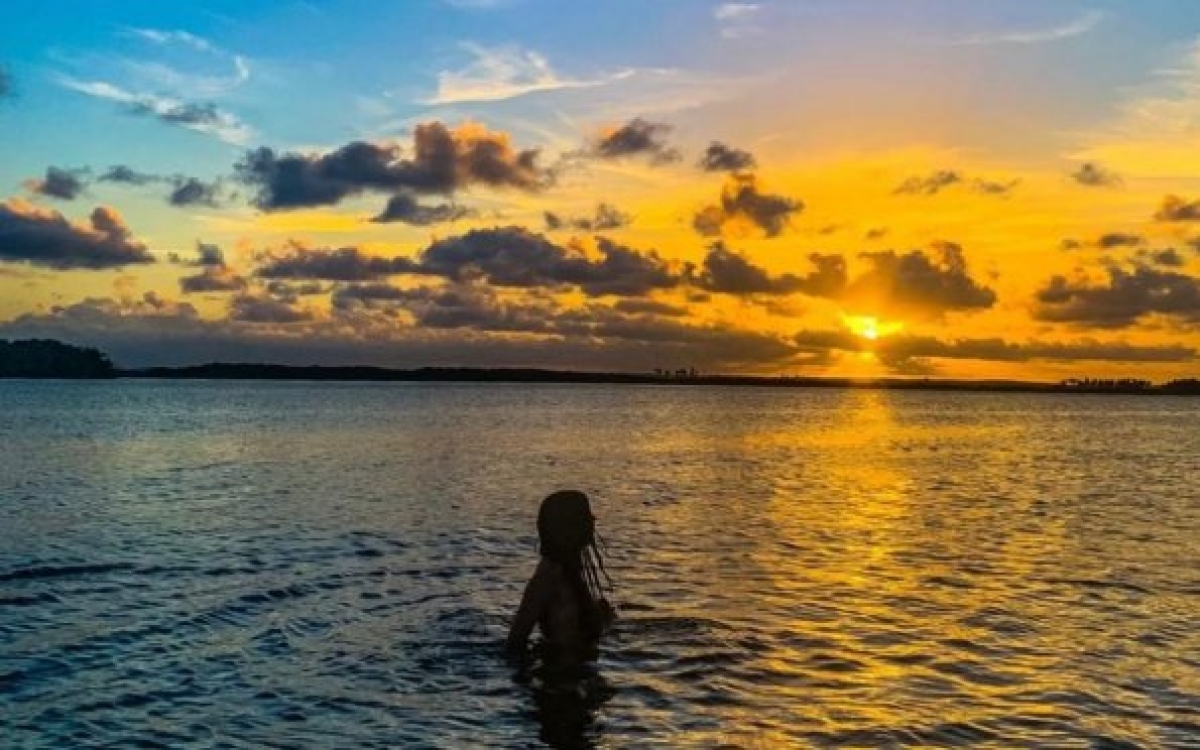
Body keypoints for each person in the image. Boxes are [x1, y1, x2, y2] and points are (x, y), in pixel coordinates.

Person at [506, 490, 615, 659]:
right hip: (557, 676)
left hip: (580, 671)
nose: (592, 522)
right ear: (568, 527)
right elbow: (515, 641)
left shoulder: (572, 570)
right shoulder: (547, 577)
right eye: (585, 517)